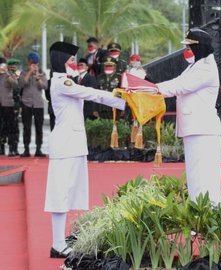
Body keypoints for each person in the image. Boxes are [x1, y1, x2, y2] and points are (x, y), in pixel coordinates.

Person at [45, 41, 125, 258]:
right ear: (62, 61)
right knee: (60, 193)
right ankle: (57, 245)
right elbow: (90, 93)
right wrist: (122, 99)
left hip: (72, 144)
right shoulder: (62, 83)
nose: (75, 64)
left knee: (67, 192)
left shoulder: (66, 81)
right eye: (71, 60)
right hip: (65, 145)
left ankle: (60, 242)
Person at [156, 28, 221, 204]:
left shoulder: (206, 68)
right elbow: (177, 82)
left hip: (203, 129)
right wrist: (151, 88)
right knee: (196, 178)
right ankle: (201, 217)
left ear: (199, 47)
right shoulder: (196, 65)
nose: (188, 50)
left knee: (204, 179)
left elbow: (181, 87)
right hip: (196, 129)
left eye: (190, 46)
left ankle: (209, 217)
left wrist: (153, 90)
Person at [19, 52, 47, 157]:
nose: (33, 65)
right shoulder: (23, 72)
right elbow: (21, 84)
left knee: (39, 127)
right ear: (28, 62)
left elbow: (44, 86)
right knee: (26, 127)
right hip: (26, 103)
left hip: (38, 104)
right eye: (31, 63)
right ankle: (26, 149)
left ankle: (38, 149)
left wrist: (37, 77)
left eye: (35, 63)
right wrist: (30, 72)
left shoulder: (42, 73)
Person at [0, 58, 20, 156]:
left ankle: (13, 148)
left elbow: (16, 85)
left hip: (10, 105)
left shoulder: (9, 75)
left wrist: (8, 75)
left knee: (13, 127)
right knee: (1, 128)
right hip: (1, 106)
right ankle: (1, 148)